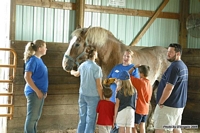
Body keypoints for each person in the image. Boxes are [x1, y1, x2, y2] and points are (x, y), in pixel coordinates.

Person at [153, 43, 188, 133]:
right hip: (179, 104)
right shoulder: (183, 66)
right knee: (176, 128)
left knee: (159, 129)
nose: (168, 54)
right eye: (168, 51)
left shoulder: (174, 67)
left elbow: (169, 88)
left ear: (178, 54)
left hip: (168, 105)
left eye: (171, 52)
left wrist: (161, 102)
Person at [70, 45, 103, 133]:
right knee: (90, 120)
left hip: (82, 95)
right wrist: (102, 97)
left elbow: (77, 74)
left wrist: (71, 71)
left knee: (82, 118)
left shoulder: (82, 65)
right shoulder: (97, 68)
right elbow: (99, 85)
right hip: (93, 96)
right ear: (95, 54)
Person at [23, 40, 48, 133]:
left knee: (35, 117)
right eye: (45, 47)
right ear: (39, 48)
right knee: (32, 117)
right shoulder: (33, 60)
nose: (46, 49)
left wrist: (43, 91)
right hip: (34, 92)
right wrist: (37, 91)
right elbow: (27, 76)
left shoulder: (39, 59)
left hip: (39, 92)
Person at [129, 65, 152, 133]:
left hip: (139, 108)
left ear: (141, 73)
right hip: (146, 109)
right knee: (142, 126)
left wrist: (134, 67)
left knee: (133, 126)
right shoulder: (149, 83)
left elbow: (127, 75)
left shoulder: (140, 82)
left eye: (139, 73)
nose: (138, 74)